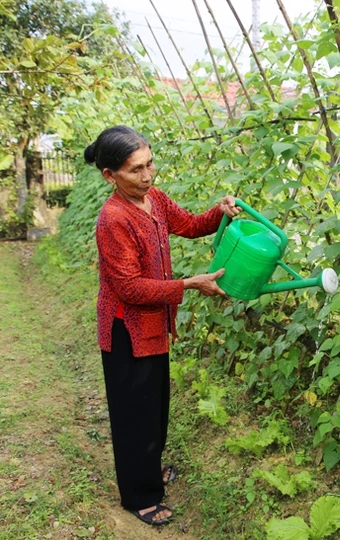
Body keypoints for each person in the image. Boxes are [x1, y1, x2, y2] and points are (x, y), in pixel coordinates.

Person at [85, 125, 241, 526]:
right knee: (132, 414)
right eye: (136, 169)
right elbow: (130, 288)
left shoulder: (152, 199)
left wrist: (218, 213)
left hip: (154, 324)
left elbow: (189, 224)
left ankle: (149, 471)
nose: (148, 175)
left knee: (154, 408)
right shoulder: (113, 219)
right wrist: (189, 284)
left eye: (150, 163)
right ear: (110, 176)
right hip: (125, 330)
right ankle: (139, 496)